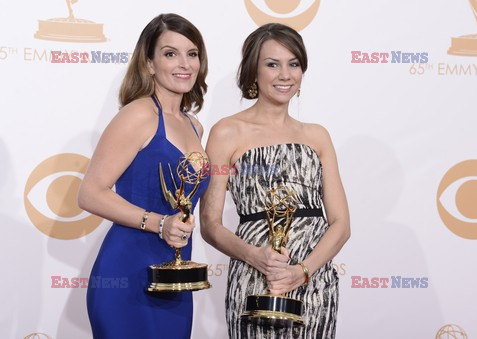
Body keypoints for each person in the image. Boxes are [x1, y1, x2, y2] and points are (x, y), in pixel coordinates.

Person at [200, 23, 350, 338]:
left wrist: (302, 272)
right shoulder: (226, 133)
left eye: (293, 64)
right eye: (273, 64)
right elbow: (210, 224)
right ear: (253, 71)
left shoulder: (317, 136)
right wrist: (255, 256)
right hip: (256, 278)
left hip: (314, 280)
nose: (285, 74)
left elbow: (341, 224)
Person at [78, 13, 209, 338]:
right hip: (128, 274)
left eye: (192, 54)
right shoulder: (138, 115)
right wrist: (158, 223)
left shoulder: (194, 125)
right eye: (170, 53)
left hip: (176, 278)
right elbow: (90, 193)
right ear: (149, 63)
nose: (184, 64)